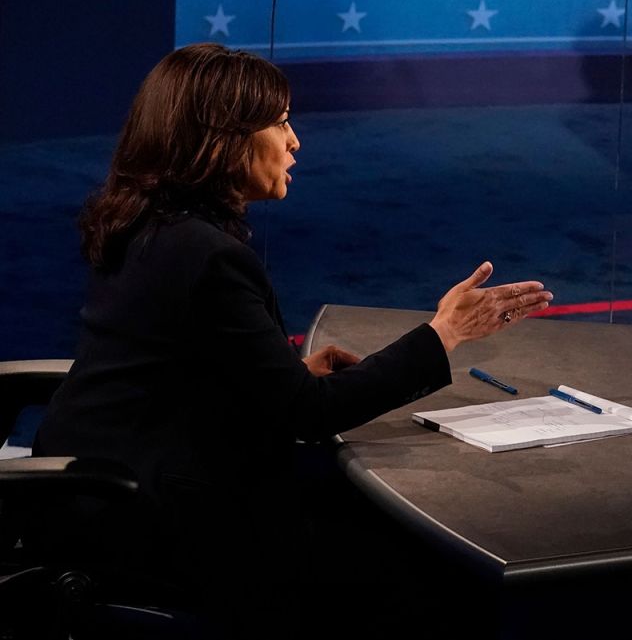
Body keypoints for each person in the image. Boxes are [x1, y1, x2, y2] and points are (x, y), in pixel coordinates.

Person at [31, 43, 553, 635]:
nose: (295, 141)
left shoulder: (144, 223)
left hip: (102, 496)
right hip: (159, 516)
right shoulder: (206, 256)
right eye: (279, 122)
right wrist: (447, 331)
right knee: (414, 571)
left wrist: (288, 374)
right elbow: (308, 415)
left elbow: (172, 371)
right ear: (223, 138)